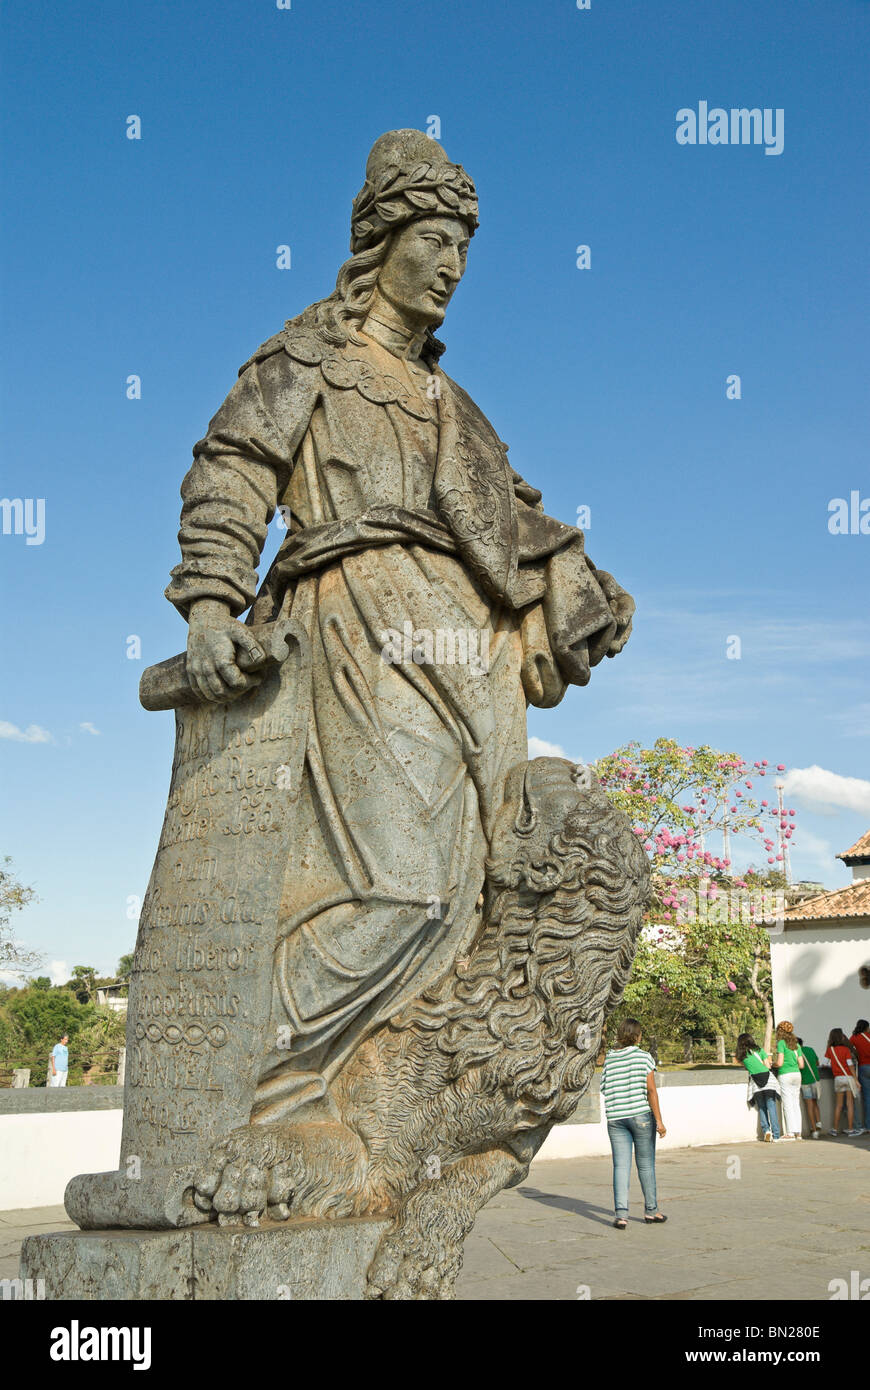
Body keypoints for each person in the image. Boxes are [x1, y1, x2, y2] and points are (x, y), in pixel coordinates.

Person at [600, 1017, 667, 1228]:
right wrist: (659, 1120)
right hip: (640, 1116)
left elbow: (604, 1087)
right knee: (646, 1165)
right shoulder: (644, 1057)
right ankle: (651, 1211)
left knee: (620, 1166)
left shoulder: (610, 1058)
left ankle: (621, 1215)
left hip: (616, 1118)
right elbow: (651, 1091)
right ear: (638, 1036)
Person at [736, 1032, 782, 1142]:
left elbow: (747, 1067)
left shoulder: (742, 1056)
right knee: (771, 1107)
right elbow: (767, 1065)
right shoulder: (760, 1050)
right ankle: (776, 1135)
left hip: (756, 1083)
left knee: (761, 1107)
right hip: (768, 1081)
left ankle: (766, 1131)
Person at [772, 1020, 805, 1139]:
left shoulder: (781, 1043)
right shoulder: (796, 1044)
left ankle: (790, 1132)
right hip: (797, 1074)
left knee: (787, 1103)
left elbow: (780, 1062)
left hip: (785, 1074)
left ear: (780, 1031)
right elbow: (802, 1065)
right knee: (796, 1103)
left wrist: (773, 1064)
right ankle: (798, 1133)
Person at [825, 1028, 860, 1136]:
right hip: (848, 1078)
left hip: (838, 1079)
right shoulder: (846, 1050)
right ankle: (850, 1129)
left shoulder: (830, 1050)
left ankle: (834, 1129)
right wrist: (856, 1079)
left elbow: (826, 1062)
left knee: (838, 1105)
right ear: (841, 1037)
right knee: (850, 1104)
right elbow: (850, 1065)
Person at [796, 1037, 823, 1138]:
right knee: (815, 1103)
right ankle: (819, 1122)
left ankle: (814, 1130)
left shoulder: (796, 1053)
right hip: (815, 1080)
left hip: (805, 1082)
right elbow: (817, 1063)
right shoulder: (810, 1049)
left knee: (809, 1106)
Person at [848, 1019, 870, 1134]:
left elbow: (848, 1049)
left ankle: (868, 1126)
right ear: (867, 1027)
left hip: (863, 1067)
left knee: (867, 1098)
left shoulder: (854, 1037)